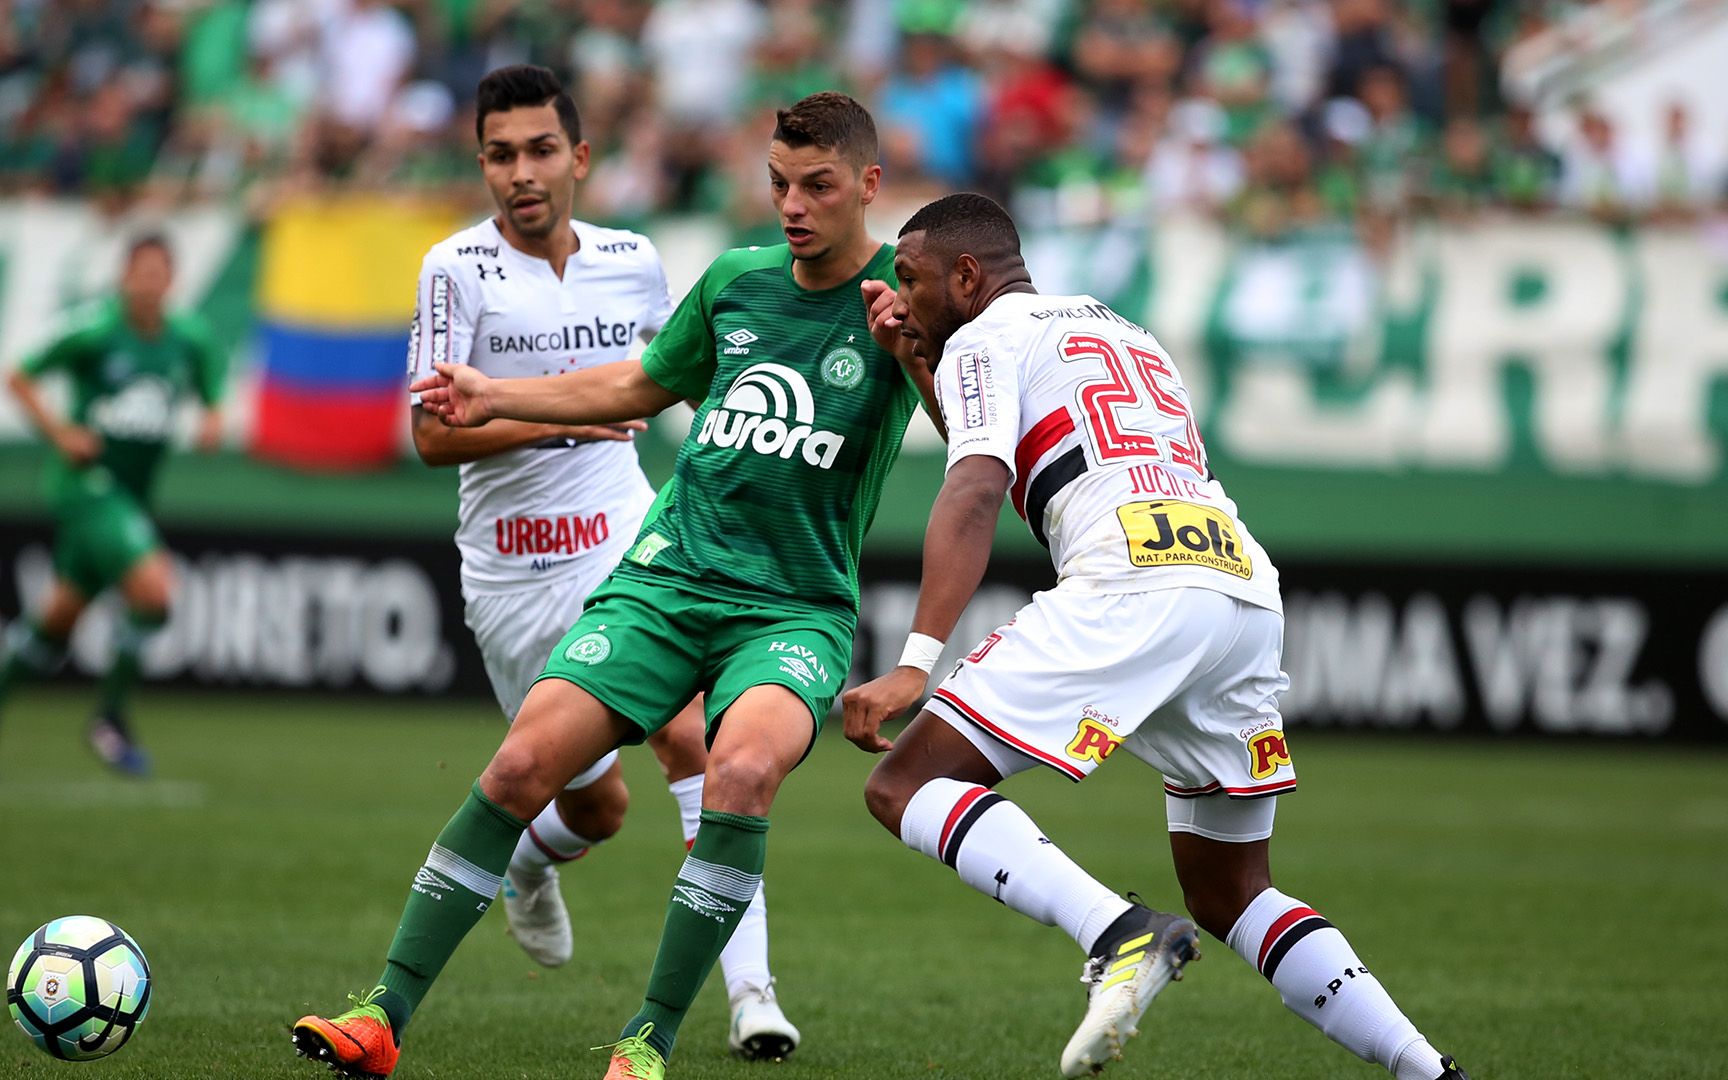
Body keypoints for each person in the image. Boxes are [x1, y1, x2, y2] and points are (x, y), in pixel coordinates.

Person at [290, 91, 938, 1080]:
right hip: (664, 579)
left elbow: (971, 432)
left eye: (817, 186)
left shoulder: (905, 296)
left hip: (792, 607)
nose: (793, 206)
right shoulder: (734, 279)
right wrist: (495, 392)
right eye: (778, 184)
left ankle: (651, 1040)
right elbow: (639, 384)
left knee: (740, 769)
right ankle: (381, 1017)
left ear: (868, 185)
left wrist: (914, 350)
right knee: (516, 773)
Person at [843, 193, 1471, 1080]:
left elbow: (977, 487)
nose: (899, 298)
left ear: (968, 276)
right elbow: (1011, 453)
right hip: (1240, 587)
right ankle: (1428, 1071)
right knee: (1231, 889)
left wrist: (915, 663)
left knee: (906, 784)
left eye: (909, 280)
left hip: (1135, 582)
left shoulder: (987, 337)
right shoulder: (1127, 331)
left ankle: (1120, 932)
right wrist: (917, 360)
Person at [398, 64, 797, 1058]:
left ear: (579, 158)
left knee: (694, 740)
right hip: (510, 571)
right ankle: (529, 866)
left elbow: (658, 386)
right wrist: (551, 417)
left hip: (628, 537)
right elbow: (433, 439)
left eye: (540, 151)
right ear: (482, 164)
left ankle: (752, 995)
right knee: (594, 805)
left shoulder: (633, 258)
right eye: (500, 155)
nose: (521, 173)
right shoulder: (453, 268)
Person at [0, 233, 225, 782]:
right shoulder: (96, 331)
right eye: (140, 273)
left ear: (172, 282)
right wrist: (60, 433)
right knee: (154, 592)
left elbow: (211, 392)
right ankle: (110, 717)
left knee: (57, 619)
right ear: (124, 277)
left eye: (160, 274)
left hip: (131, 495)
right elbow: (17, 375)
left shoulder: (189, 339)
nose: (149, 284)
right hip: (87, 487)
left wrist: (213, 416)